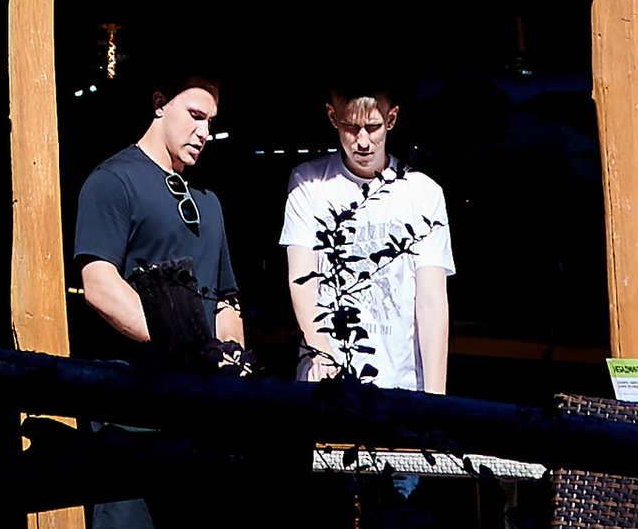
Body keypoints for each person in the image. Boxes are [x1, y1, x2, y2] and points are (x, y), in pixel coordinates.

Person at [72, 70, 247, 529]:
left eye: (211, 121)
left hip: (200, 418)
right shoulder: (113, 180)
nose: (204, 132)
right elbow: (99, 285)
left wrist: (230, 362)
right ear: (159, 103)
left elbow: (227, 300)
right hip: (129, 413)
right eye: (195, 115)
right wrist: (181, 346)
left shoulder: (209, 202)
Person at [280, 70, 453, 401]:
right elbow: (301, 280)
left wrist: (435, 400)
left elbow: (432, 301)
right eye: (350, 126)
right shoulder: (308, 183)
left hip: (400, 386)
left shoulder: (423, 193)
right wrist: (323, 355)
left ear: (391, 119)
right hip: (325, 387)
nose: (362, 141)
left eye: (372, 127)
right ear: (332, 117)